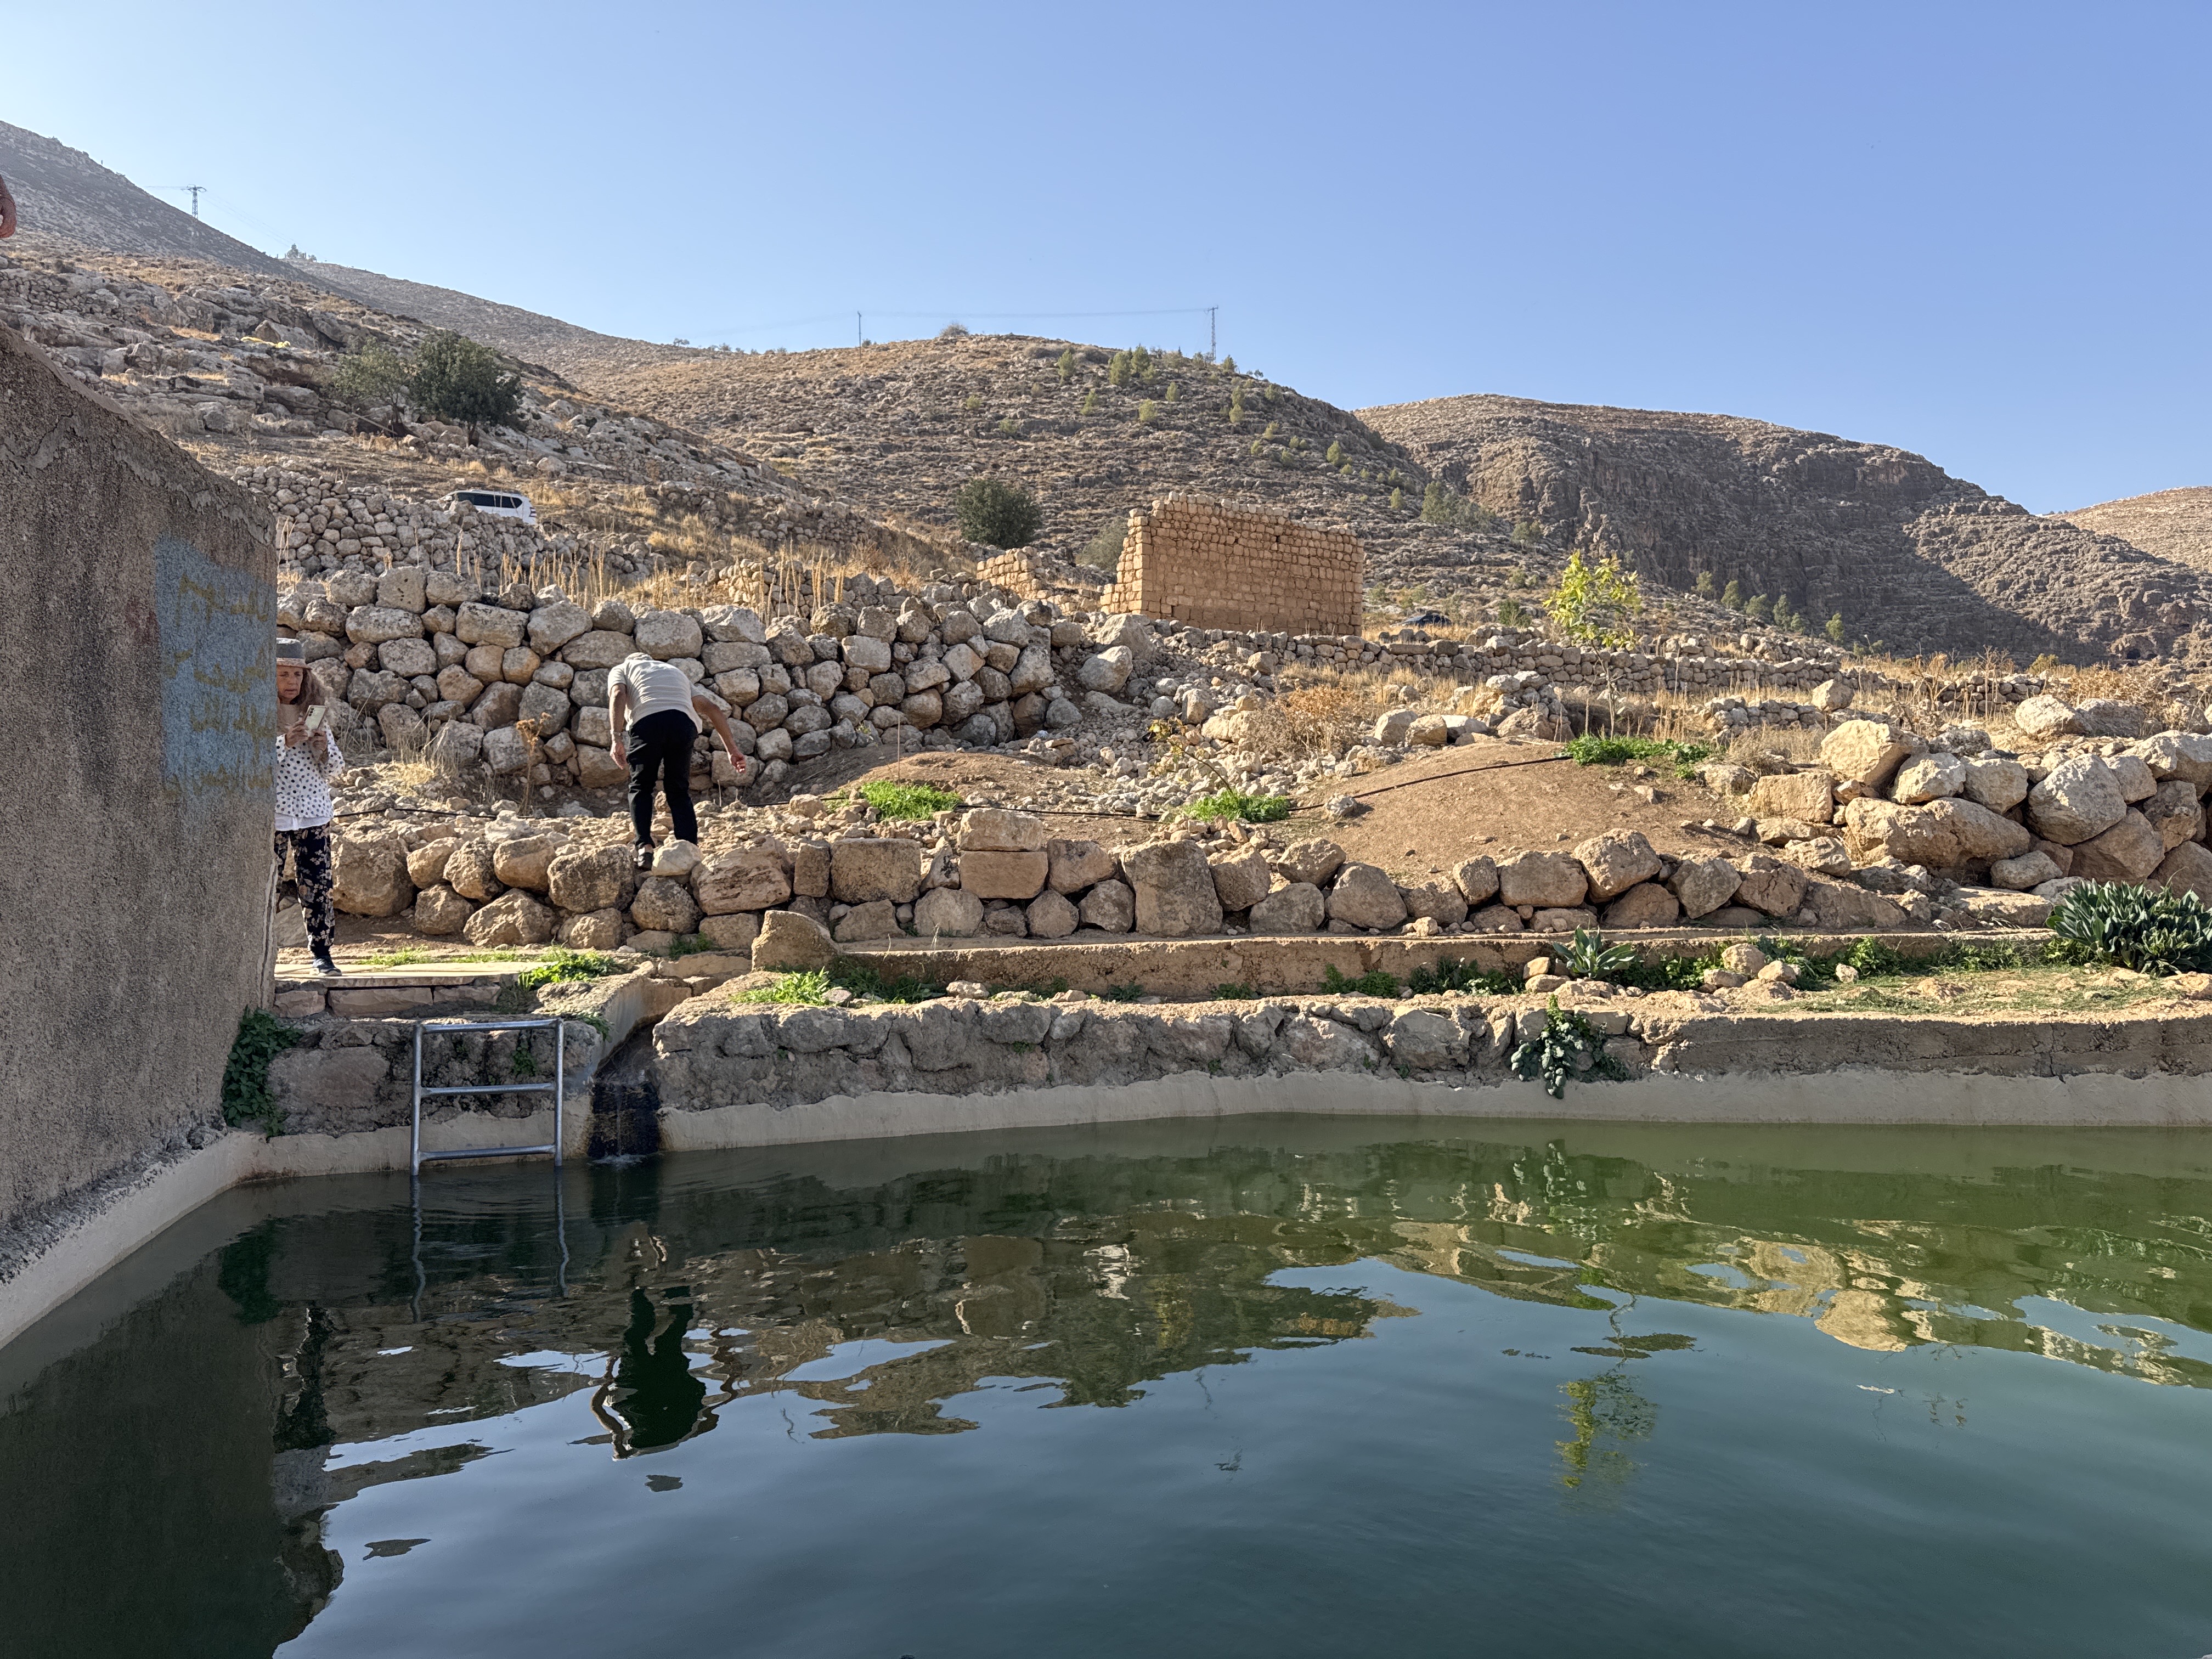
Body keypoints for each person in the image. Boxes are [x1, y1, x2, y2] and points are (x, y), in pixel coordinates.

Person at [608, 651, 743, 870]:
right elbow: (712, 708)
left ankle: (644, 848)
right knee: (678, 789)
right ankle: (689, 849)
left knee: (641, 786)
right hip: (683, 723)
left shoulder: (624, 668)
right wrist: (732, 750)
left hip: (648, 722)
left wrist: (616, 738)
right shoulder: (674, 671)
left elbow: (618, 694)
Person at [274, 639, 345, 974]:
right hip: (273, 814)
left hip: (313, 810)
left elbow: (335, 769)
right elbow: (246, 765)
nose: (292, 682)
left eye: (298, 675)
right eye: (284, 674)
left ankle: (322, 953)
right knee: (267, 886)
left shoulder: (313, 714)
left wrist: (323, 747)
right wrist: (284, 742)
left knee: (317, 884)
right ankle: (261, 953)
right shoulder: (254, 715)